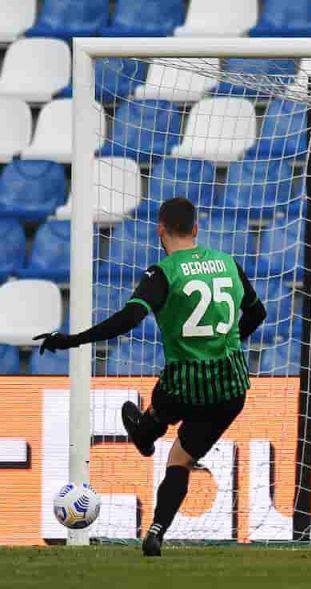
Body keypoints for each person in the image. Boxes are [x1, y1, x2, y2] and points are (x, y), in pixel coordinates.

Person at [35, 198, 266, 557]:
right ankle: (157, 530)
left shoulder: (163, 272)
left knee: (167, 400)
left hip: (185, 382)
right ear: (196, 229)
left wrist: (74, 340)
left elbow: (128, 319)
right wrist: (230, 341)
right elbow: (257, 313)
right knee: (180, 461)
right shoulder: (229, 264)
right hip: (231, 384)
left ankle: (147, 429)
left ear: (160, 231)